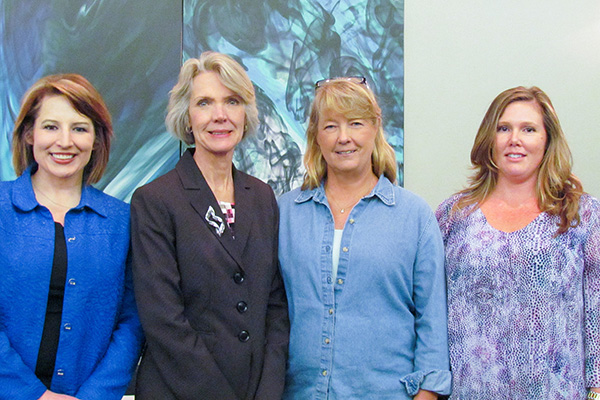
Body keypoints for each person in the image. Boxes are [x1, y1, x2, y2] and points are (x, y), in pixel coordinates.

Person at [278, 76, 451, 399]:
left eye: (355, 123)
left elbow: (432, 324)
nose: (344, 137)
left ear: (375, 128)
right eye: (331, 126)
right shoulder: (284, 214)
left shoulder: (414, 217)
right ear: (316, 135)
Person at [130, 51, 289, 399]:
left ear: (245, 114)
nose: (220, 115)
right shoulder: (155, 200)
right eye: (204, 103)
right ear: (187, 117)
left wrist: (268, 392)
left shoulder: (262, 197)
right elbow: (163, 320)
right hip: (180, 391)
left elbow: (276, 308)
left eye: (232, 101)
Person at [436, 86, 600, 399]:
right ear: (489, 139)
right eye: (503, 129)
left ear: (547, 140)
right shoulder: (452, 216)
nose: (515, 139)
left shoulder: (582, 215)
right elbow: (429, 312)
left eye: (529, 129)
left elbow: (597, 312)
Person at [0, 74, 144, 400]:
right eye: (51, 127)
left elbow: (132, 323)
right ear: (29, 134)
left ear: (96, 140)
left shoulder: (122, 221)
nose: (65, 141)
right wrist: (33, 395)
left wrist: (94, 396)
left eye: (79, 128)